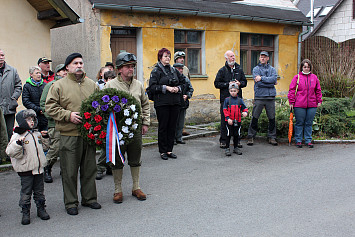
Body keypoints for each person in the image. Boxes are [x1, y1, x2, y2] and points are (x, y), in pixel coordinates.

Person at [46, 53, 101, 215]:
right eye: (75, 63)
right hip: (68, 135)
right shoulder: (58, 85)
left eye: (81, 63)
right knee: (69, 171)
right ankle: (71, 202)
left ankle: (89, 198)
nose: (79, 66)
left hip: (88, 134)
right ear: (68, 67)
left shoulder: (92, 84)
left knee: (89, 168)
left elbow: (100, 105)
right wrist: (68, 115)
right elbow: (50, 108)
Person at [105, 52, 150, 203]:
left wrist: (145, 122)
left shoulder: (138, 85)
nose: (131, 69)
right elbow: (103, 107)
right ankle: (118, 190)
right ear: (119, 69)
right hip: (117, 129)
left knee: (135, 157)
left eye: (132, 66)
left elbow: (145, 104)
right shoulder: (110, 85)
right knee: (118, 159)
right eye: (127, 67)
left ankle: (136, 187)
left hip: (136, 128)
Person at [6, 109, 50, 225]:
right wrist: (18, 144)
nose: (31, 122)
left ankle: (41, 209)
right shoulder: (17, 135)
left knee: (39, 191)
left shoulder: (36, 134)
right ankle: (25, 211)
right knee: (26, 192)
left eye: (32, 119)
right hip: (26, 170)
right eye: (28, 120)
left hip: (39, 169)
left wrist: (45, 138)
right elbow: (10, 151)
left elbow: (44, 148)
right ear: (22, 121)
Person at [149, 48, 186, 160]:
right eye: (165, 56)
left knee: (172, 126)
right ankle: (162, 151)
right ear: (160, 58)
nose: (168, 58)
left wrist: (177, 88)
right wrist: (166, 88)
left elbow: (184, 82)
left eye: (169, 56)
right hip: (162, 103)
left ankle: (169, 150)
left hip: (175, 102)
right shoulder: (156, 71)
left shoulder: (174, 70)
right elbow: (152, 87)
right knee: (163, 127)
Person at [40, 64, 67, 183]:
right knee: (55, 147)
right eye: (62, 71)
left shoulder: (69, 84)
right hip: (55, 123)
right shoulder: (51, 85)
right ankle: (47, 167)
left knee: (66, 147)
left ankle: (65, 169)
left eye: (66, 70)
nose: (65, 72)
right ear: (57, 73)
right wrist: (50, 116)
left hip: (68, 121)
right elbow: (43, 103)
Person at [214, 50, 247, 148]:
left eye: (233, 56)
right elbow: (216, 84)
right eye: (231, 56)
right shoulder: (222, 70)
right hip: (226, 100)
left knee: (238, 120)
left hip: (237, 100)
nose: (233, 58)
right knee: (225, 120)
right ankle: (223, 140)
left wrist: (240, 83)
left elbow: (245, 82)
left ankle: (237, 141)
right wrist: (227, 84)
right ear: (226, 58)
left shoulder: (239, 69)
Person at [288, 59, 322, 148]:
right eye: (305, 67)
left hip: (312, 104)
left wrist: (319, 101)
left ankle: (308, 140)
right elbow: (292, 90)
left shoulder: (314, 77)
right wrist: (291, 102)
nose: (306, 69)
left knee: (309, 123)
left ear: (310, 68)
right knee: (299, 122)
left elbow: (318, 90)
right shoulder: (297, 77)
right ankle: (298, 140)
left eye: (308, 67)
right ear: (302, 67)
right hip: (299, 105)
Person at [246, 51, 278, 146]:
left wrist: (262, 78)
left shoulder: (272, 69)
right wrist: (270, 82)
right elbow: (258, 83)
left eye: (265, 57)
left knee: (272, 118)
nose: (263, 58)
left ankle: (272, 137)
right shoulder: (256, 69)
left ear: (268, 58)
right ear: (259, 58)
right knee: (255, 117)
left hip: (270, 97)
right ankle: (251, 136)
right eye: (261, 57)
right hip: (259, 96)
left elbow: (274, 80)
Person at [0, 49, 22, 143]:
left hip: (9, 107)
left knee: (9, 133)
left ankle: (8, 155)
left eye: (2, 55)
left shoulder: (12, 70)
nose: (1, 57)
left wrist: (14, 98)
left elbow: (18, 86)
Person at [95, 67, 113, 181]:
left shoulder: (116, 90)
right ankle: (100, 168)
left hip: (114, 121)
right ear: (105, 80)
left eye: (113, 78)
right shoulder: (100, 89)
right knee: (105, 146)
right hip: (104, 121)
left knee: (114, 144)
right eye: (109, 79)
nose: (111, 81)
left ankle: (110, 166)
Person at [223, 83, 248, 156]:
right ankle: (227, 148)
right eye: (231, 91)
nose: (233, 92)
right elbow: (224, 110)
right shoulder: (227, 100)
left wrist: (245, 112)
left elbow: (244, 108)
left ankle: (236, 147)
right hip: (229, 121)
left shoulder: (240, 100)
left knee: (236, 134)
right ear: (229, 91)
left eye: (234, 91)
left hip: (238, 120)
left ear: (237, 91)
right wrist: (228, 119)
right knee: (228, 134)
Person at [173, 63, 194, 144]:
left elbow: (191, 89)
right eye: (179, 69)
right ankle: (173, 139)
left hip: (183, 104)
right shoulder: (172, 79)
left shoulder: (185, 79)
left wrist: (187, 96)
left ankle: (179, 138)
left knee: (181, 123)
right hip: (174, 104)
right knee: (173, 122)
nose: (181, 70)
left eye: (181, 69)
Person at [22, 66, 48, 132]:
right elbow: (26, 101)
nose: (39, 75)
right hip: (33, 116)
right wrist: (38, 109)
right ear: (31, 74)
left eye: (40, 73)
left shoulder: (45, 85)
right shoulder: (27, 86)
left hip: (44, 116)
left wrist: (44, 109)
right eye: (37, 73)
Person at [174, 51, 191, 136]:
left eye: (183, 58)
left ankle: (181, 131)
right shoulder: (171, 69)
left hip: (183, 97)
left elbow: (189, 83)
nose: (182, 60)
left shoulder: (186, 69)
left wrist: (187, 94)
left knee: (182, 116)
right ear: (176, 59)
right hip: (175, 98)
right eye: (180, 58)